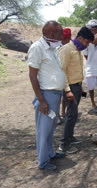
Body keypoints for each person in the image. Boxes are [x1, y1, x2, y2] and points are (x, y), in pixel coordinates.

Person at [27, 21, 66, 170]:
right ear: (51, 34)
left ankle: (50, 153)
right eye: (60, 33)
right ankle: (43, 162)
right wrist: (41, 100)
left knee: (50, 128)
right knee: (43, 130)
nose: (62, 36)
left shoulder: (52, 48)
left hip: (55, 95)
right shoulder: (38, 48)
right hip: (47, 96)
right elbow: (32, 76)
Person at [58, 27, 94, 154]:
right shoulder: (66, 49)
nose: (87, 45)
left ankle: (70, 137)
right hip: (70, 87)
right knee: (71, 115)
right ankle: (64, 144)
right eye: (87, 42)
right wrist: (68, 90)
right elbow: (62, 72)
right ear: (80, 38)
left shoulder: (77, 50)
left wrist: (80, 87)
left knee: (73, 115)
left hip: (77, 86)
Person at [84, 19, 97, 114]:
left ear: (96, 29)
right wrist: (92, 60)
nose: (91, 31)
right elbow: (85, 55)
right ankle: (93, 104)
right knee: (91, 88)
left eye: (92, 29)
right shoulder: (86, 41)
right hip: (90, 68)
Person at [59, 28, 72, 123]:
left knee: (66, 94)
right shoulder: (58, 47)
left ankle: (66, 112)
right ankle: (62, 112)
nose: (63, 41)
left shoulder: (71, 47)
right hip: (60, 74)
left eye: (65, 39)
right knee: (62, 95)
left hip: (70, 74)